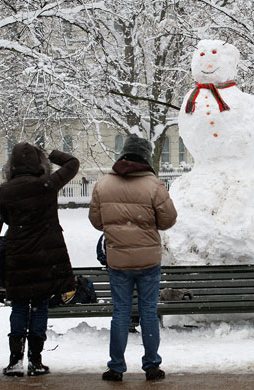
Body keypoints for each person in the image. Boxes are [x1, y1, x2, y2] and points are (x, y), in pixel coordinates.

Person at [89, 135, 177, 382]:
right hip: (148, 260)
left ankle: (116, 367)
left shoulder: (103, 185)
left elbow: (97, 221)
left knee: (121, 312)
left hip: (118, 261)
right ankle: (151, 365)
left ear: (123, 155)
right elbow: (169, 219)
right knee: (148, 311)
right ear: (146, 157)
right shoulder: (154, 185)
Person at [0, 142, 79, 377]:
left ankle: (15, 361)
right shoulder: (47, 184)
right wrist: (52, 154)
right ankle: (35, 360)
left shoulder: (7, 190)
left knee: (20, 306)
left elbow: (6, 217)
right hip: (45, 255)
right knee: (41, 306)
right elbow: (73, 164)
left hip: (18, 255)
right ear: (38, 162)